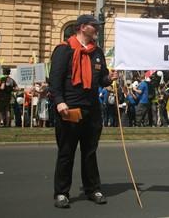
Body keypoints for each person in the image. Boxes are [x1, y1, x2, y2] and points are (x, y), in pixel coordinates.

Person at [49, 14, 118, 209]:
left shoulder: (97, 52)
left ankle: (93, 189)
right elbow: (55, 80)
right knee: (66, 152)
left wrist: (109, 77)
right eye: (93, 26)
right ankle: (62, 193)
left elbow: (101, 78)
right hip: (69, 109)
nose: (97, 28)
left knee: (90, 152)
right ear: (81, 28)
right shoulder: (64, 50)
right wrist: (60, 102)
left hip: (92, 110)